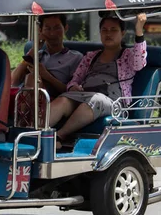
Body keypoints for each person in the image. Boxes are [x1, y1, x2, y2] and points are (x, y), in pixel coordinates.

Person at [48, 13, 148, 149]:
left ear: (122, 33)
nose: (108, 34)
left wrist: (139, 31)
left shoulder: (128, 55)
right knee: (63, 100)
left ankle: (60, 136)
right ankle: (37, 133)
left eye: (113, 30)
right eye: (104, 30)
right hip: (84, 95)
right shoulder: (91, 56)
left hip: (113, 102)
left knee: (96, 100)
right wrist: (73, 88)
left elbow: (139, 63)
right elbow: (75, 79)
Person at [11, 14, 83, 98]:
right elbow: (13, 81)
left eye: (57, 28)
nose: (52, 33)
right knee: (31, 77)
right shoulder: (36, 55)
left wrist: (46, 75)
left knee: (33, 78)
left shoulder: (75, 57)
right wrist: (34, 48)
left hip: (56, 101)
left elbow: (72, 91)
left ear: (65, 28)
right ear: (40, 30)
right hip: (29, 95)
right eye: (47, 29)